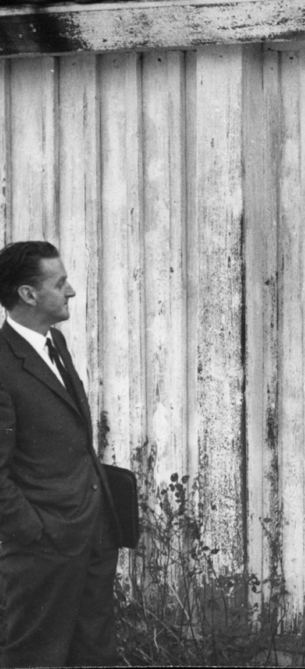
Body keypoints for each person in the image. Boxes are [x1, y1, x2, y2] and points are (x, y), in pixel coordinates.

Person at [0, 241, 120, 667]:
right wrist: (35, 532)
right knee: (36, 657)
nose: (70, 291)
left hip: (92, 533)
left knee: (94, 653)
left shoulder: (55, 343)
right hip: (43, 548)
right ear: (28, 294)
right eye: (60, 282)